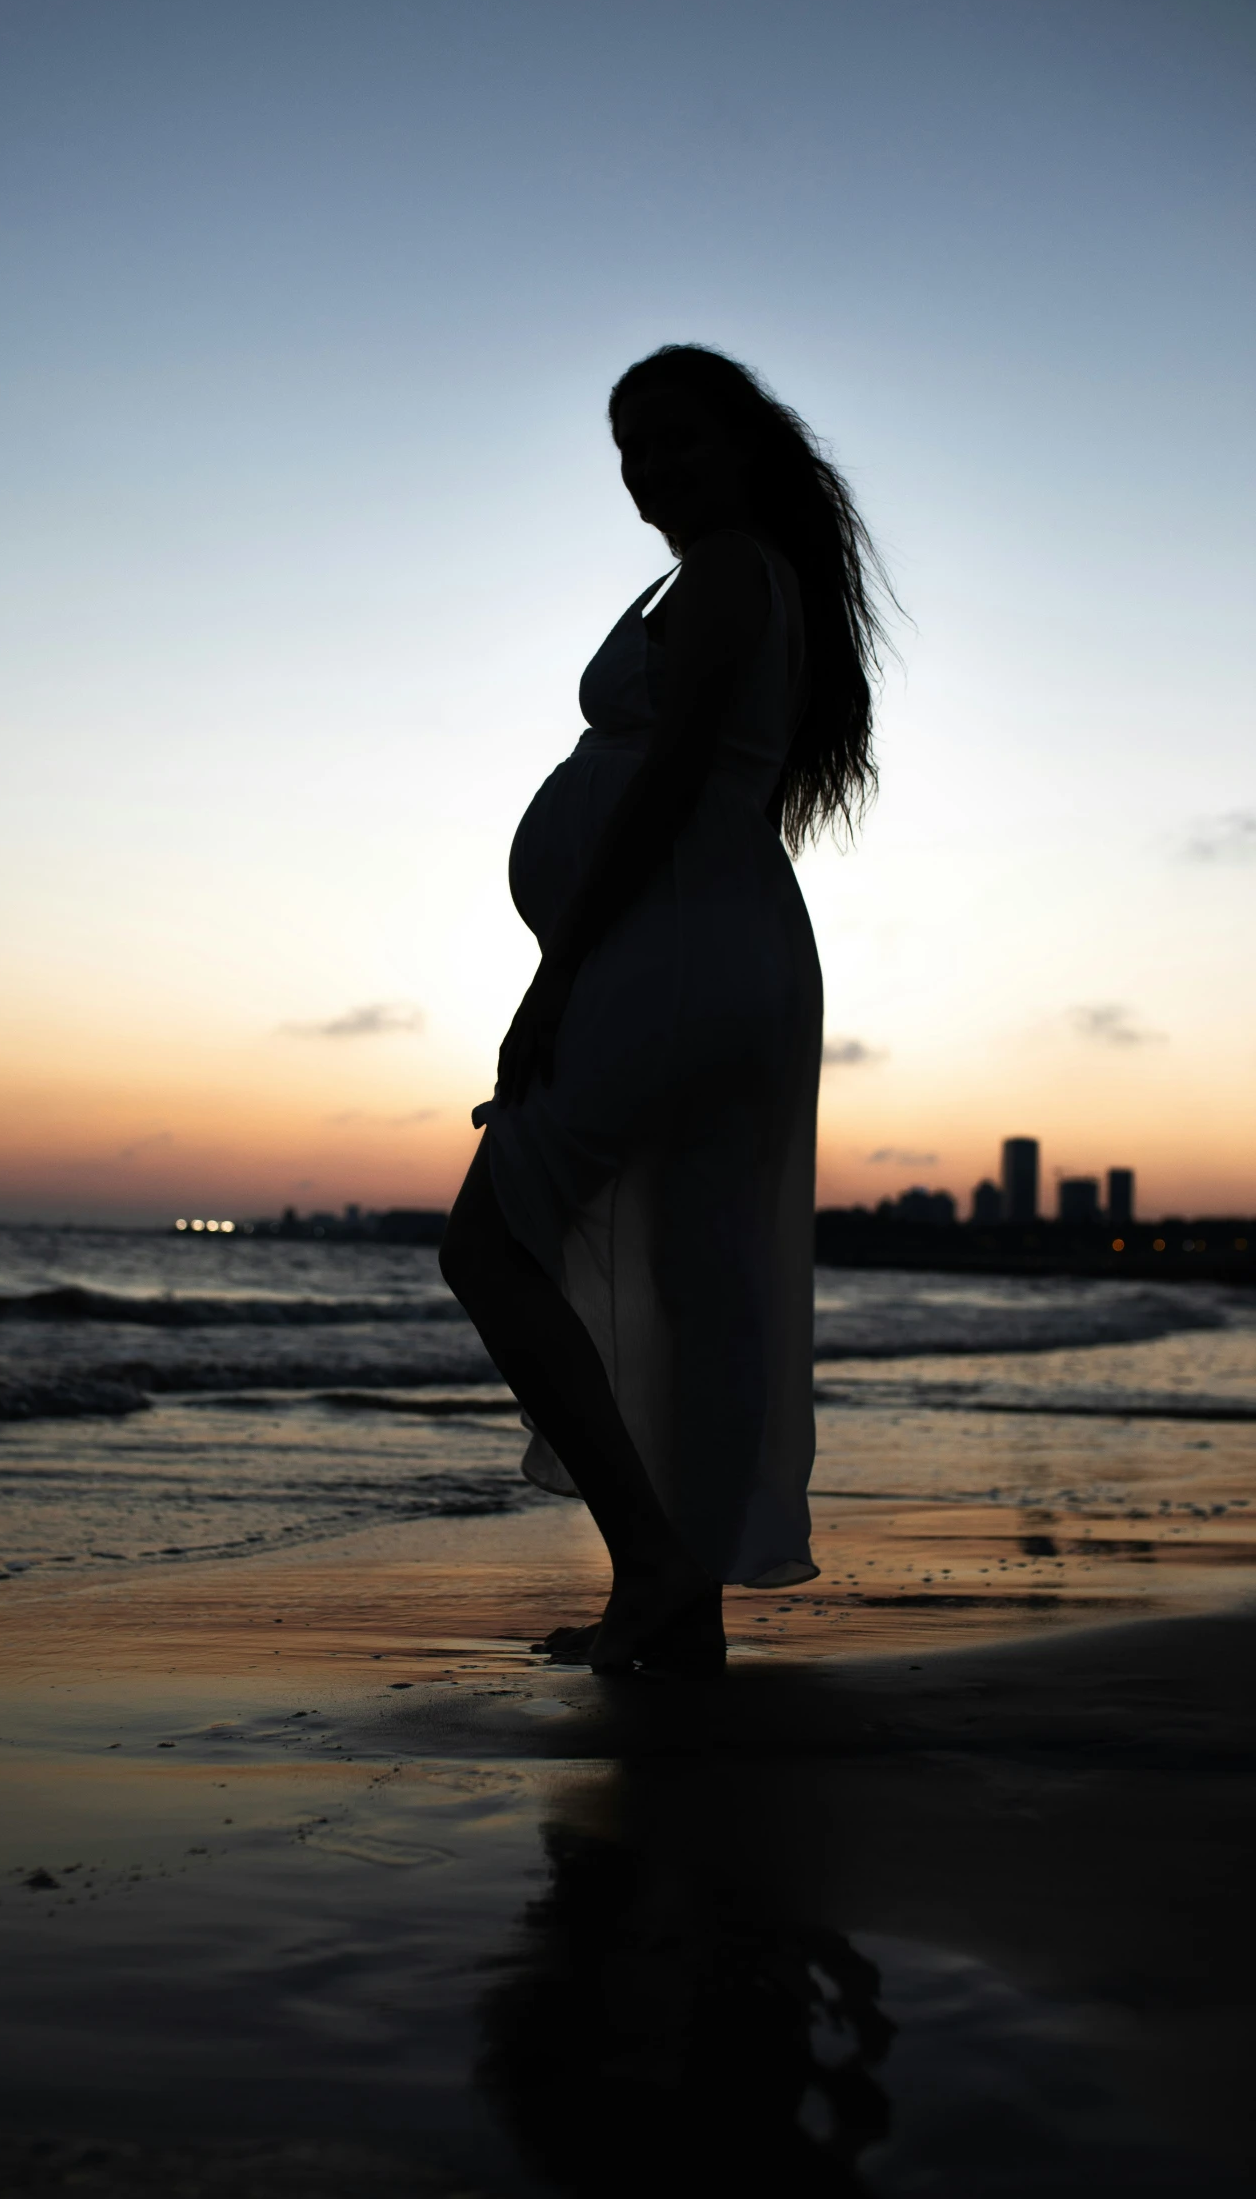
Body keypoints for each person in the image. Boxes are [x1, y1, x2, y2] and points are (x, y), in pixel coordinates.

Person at [439, 344, 886, 1673]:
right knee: (698, 1282)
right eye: (628, 447)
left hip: (676, 950)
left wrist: (553, 974)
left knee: (488, 1242)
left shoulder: (734, 573)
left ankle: (654, 1563)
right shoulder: (729, 579)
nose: (646, 469)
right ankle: (677, 1599)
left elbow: (670, 783)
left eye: (675, 438)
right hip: (718, 948)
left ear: (744, 443)